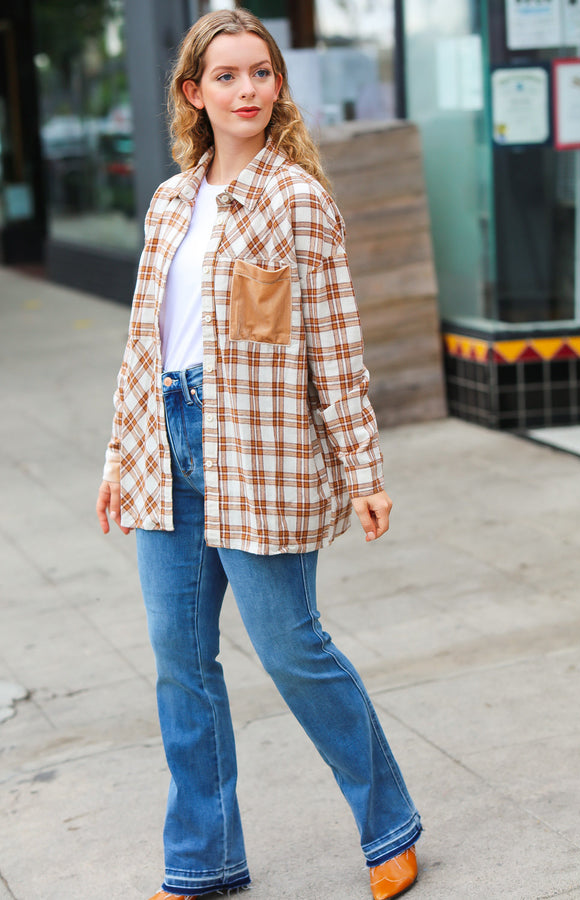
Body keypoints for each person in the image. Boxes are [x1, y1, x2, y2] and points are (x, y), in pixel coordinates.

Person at [96, 9, 422, 900]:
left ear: (278, 86)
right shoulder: (170, 202)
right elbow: (143, 346)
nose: (247, 91)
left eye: (261, 74)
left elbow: (333, 343)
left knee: (291, 647)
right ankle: (203, 861)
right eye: (227, 77)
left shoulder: (297, 198)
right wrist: (121, 459)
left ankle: (388, 823)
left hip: (260, 448)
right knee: (179, 659)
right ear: (192, 94)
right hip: (167, 443)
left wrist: (364, 471)